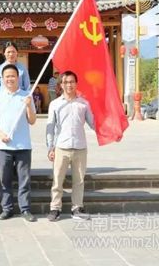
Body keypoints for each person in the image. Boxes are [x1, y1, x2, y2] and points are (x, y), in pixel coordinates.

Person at [46, 70, 95, 222]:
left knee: (79, 181)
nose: (69, 85)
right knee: (57, 180)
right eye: (66, 82)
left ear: (76, 83)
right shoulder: (55, 104)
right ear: (61, 85)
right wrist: (50, 147)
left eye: (72, 81)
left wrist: (105, 120)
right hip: (61, 147)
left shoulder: (84, 103)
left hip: (80, 147)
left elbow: (93, 124)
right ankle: (55, 208)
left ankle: (77, 208)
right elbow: (50, 128)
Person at [0, 64, 37, 221]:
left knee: (24, 180)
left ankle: (25, 209)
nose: (10, 79)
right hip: (4, 146)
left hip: (23, 145)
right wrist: (0, 134)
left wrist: (29, 105)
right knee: (5, 179)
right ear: (2, 79)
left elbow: (32, 121)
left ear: (18, 78)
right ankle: (7, 208)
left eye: (13, 76)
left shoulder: (26, 96)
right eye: (7, 76)